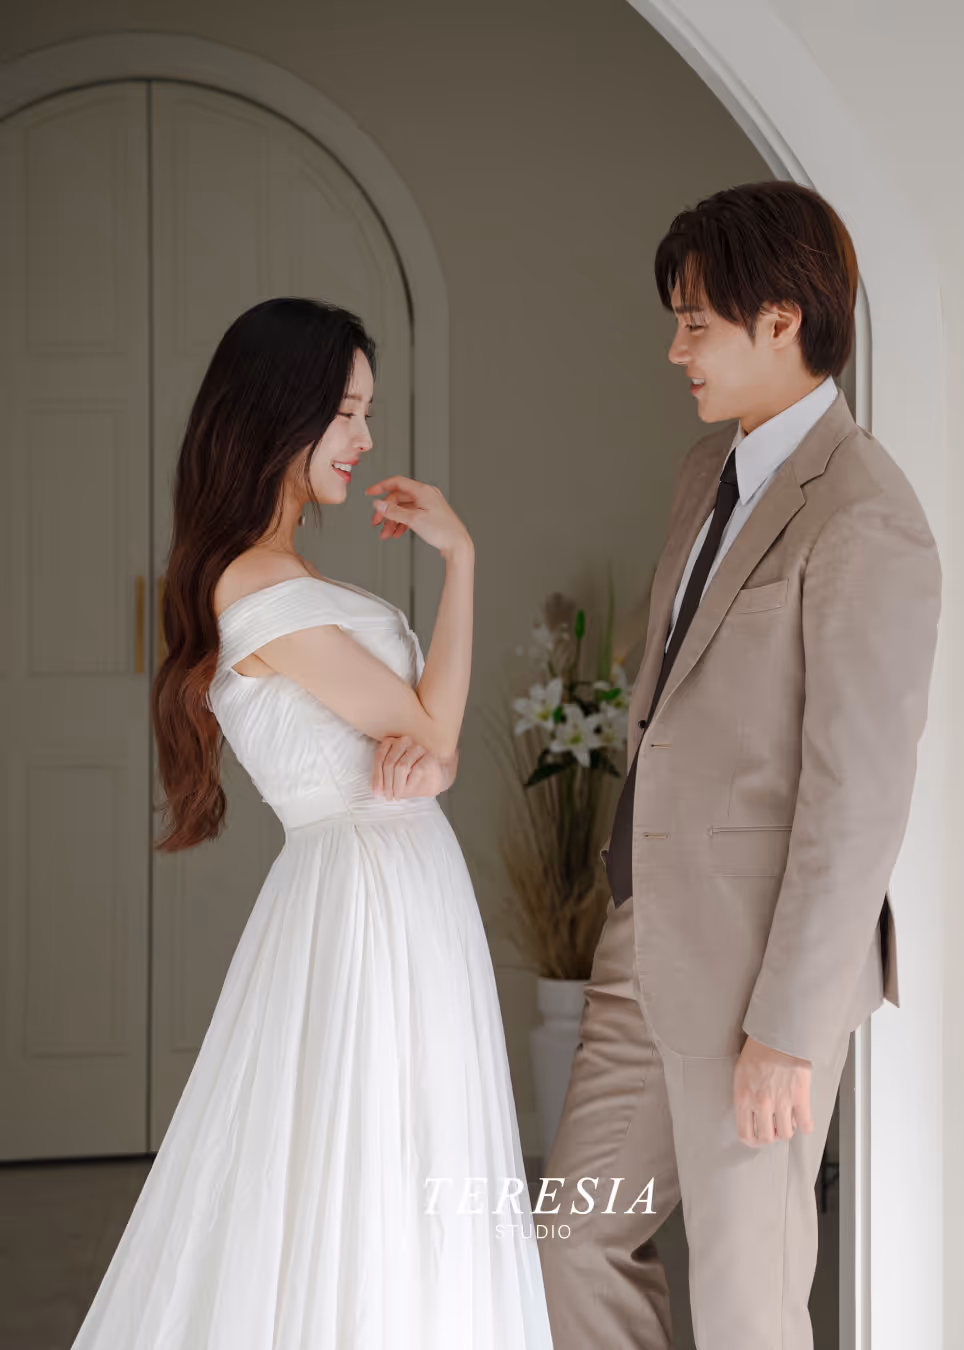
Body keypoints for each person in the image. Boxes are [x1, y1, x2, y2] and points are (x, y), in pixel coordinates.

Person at [70, 297, 553, 1350]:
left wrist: (436, 746)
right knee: (368, 1165)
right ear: (277, 411)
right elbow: (430, 728)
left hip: (400, 884)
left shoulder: (286, 578)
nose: (365, 437)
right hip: (366, 899)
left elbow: (433, 746)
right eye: (345, 411)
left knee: (403, 1156)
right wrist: (461, 560)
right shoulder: (259, 584)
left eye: (367, 411)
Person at [539, 182, 942, 1349]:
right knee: (573, 1243)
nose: (676, 351)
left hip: (756, 980)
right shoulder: (701, 473)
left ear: (781, 320)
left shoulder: (865, 515)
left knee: (745, 1304)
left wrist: (791, 1028)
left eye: (694, 324)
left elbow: (858, 798)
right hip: (644, 942)